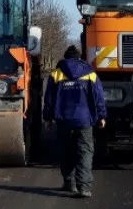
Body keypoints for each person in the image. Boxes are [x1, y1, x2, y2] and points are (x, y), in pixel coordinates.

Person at [43, 45, 107, 198]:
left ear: (65, 58)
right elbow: (99, 97)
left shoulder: (56, 74)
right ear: (80, 58)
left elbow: (49, 100)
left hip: (64, 121)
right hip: (84, 121)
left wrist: (48, 118)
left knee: (66, 152)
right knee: (84, 152)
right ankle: (83, 187)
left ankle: (70, 183)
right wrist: (101, 116)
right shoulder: (90, 74)